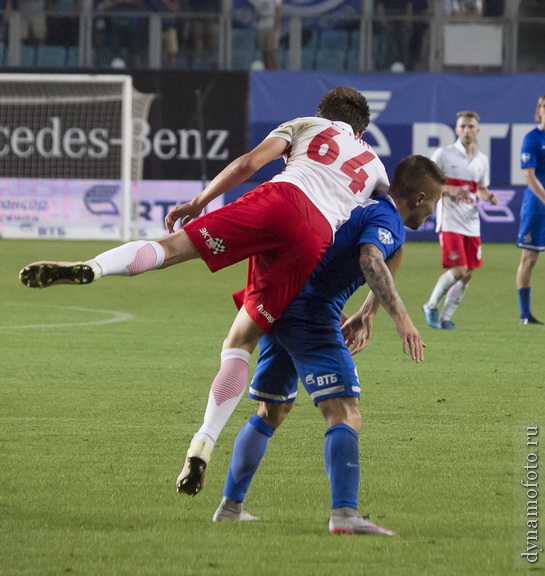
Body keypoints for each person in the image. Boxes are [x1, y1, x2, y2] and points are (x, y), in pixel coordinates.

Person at [19, 86, 390, 485]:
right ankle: (203, 442)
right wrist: (368, 308)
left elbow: (248, 164)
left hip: (282, 198)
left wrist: (201, 200)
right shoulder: (375, 166)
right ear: (362, 129)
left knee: (171, 248)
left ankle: (93, 268)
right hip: (314, 236)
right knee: (240, 344)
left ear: (324, 111)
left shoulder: (308, 124)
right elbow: (391, 223)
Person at [211, 155, 445, 533]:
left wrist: (366, 314)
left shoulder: (364, 205)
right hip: (311, 315)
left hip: (281, 306)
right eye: (434, 202)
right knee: (345, 412)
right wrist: (403, 320)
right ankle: (344, 515)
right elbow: (371, 259)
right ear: (419, 198)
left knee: (271, 411)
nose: (433, 212)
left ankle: (230, 507)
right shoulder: (387, 219)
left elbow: (376, 258)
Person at [422, 111, 498, 330]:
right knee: (459, 270)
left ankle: (446, 317)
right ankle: (430, 305)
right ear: (456, 129)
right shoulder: (443, 154)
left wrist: (489, 197)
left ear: (477, 130)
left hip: (472, 224)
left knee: (467, 274)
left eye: (471, 126)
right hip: (450, 222)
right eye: (463, 126)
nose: (467, 130)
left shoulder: (481, 159)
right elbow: (429, 182)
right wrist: (449, 189)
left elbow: (481, 189)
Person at [515, 94, 545, 325]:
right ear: (539, 110)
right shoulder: (532, 139)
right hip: (537, 207)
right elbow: (529, 175)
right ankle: (525, 314)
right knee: (529, 258)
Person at [253, 0, 282, 70]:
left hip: (271, 25)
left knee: (271, 51)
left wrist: (276, 27)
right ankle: (266, 68)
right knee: (264, 50)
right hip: (262, 26)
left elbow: (278, 11)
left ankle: (274, 69)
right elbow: (257, 13)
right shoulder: (259, 0)